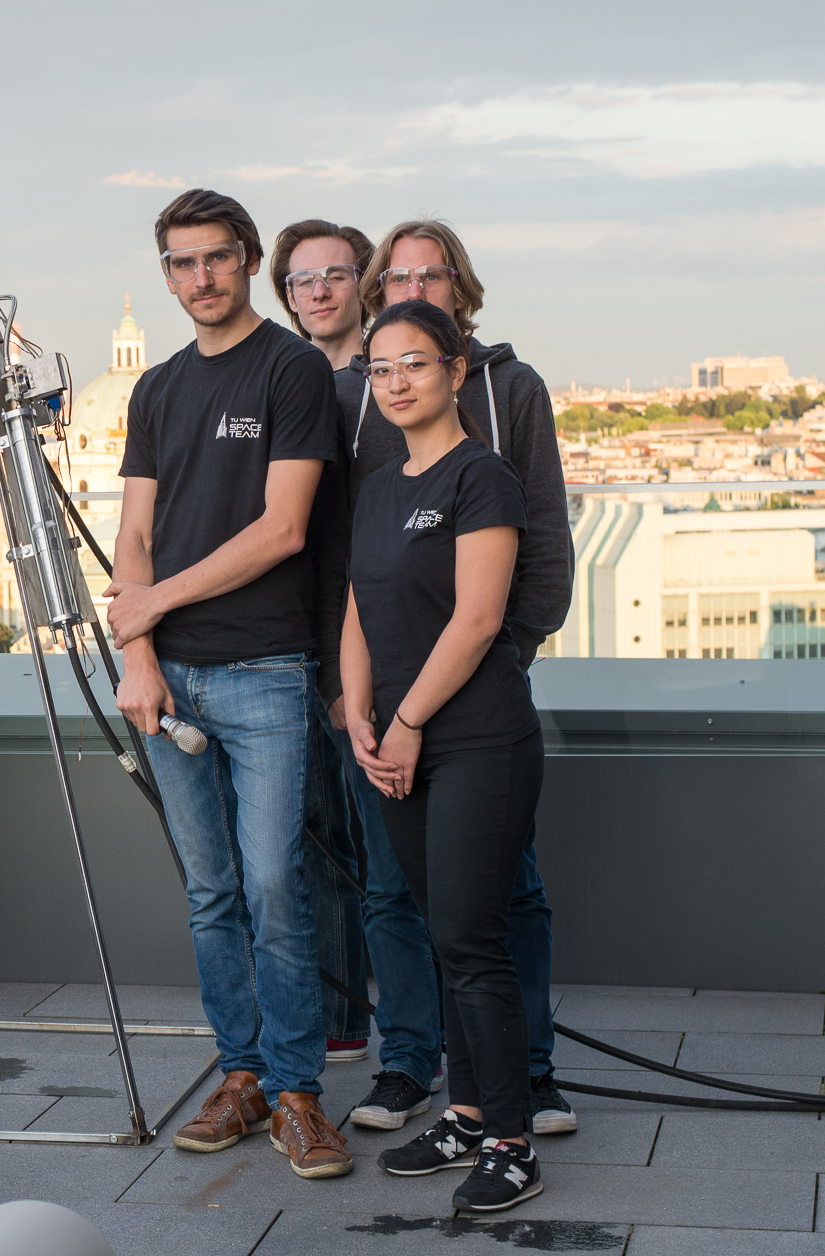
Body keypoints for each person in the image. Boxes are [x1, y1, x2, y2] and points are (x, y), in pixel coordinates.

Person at [107, 189, 352, 1181]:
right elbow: (133, 533)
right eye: (181, 262)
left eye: (216, 257)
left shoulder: (292, 368)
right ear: (166, 275)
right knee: (211, 894)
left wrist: (151, 602)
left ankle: (298, 1093)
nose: (200, 277)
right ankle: (242, 1076)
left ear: (249, 260)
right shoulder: (157, 389)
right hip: (169, 677)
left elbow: (284, 529)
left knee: (276, 886)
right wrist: (139, 656)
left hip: (265, 670)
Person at [345, 219, 577, 1138]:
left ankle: (512, 1128)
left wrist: (409, 718)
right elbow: (358, 602)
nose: (397, 381)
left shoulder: (487, 463)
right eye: (382, 369)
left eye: (415, 365)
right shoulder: (378, 481)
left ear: (455, 365)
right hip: (397, 732)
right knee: (441, 927)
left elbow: (483, 614)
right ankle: (466, 1108)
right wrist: (361, 714)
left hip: (472, 725)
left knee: (480, 930)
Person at [270, 219, 374, 1067]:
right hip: (288, 643)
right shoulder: (283, 381)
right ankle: (343, 1017)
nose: (319, 291)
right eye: (303, 280)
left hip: (370, 647)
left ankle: (414, 1028)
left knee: (382, 845)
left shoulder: (394, 380)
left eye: (336, 273)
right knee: (313, 839)